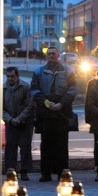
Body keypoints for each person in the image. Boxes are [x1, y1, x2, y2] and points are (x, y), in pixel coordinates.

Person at [31, 46, 77, 182]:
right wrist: (46, 103)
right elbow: (34, 89)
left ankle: (62, 174)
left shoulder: (68, 71)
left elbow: (73, 89)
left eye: (54, 54)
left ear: (58, 56)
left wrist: (61, 104)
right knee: (45, 146)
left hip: (62, 115)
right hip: (45, 115)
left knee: (62, 146)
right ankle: (46, 174)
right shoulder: (38, 72)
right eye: (49, 54)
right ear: (46, 56)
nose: (51, 56)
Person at [3, 67, 34, 180]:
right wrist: (10, 119)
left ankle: (24, 171)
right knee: (10, 147)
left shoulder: (25, 87)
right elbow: (0, 108)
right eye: (8, 76)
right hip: (11, 123)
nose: (10, 78)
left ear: (17, 76)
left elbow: (31, 105)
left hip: (25, 122)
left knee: (25, 146)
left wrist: (19, 119)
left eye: (12, 76)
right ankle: (11, 171)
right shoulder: (3, 88)